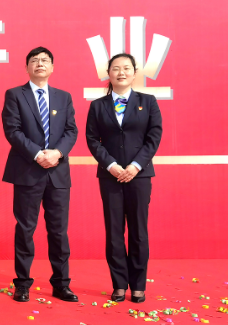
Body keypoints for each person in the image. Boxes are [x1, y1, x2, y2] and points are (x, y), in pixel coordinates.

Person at [1, 46, 78, 303]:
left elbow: (71, 131)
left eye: (45, 60)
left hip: (58, 172)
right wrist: (37, 154)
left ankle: (61, 284)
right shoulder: (15, 95)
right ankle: (22, 284)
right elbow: (13, 131)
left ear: (52, 67)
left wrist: (57, 153)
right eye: (34, 60)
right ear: (27, 68)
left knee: (59, 231)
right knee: (25, 229)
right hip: (27, 171)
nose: (40, 64)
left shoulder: (63, 97)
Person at [86, 53, 162, 304]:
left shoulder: (148, 102)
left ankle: (138, 285)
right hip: (111, 176)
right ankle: (119, 284)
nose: (121, 72)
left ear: (134, 72)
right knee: (114, 231)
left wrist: (136, 166)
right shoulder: (98, 106)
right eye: (116, 68)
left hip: (139, 175)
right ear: (108, 73)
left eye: (126, 68)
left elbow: (153, 137)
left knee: (139, 231)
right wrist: (111, 166)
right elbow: (92, 140)